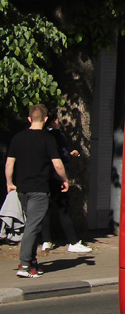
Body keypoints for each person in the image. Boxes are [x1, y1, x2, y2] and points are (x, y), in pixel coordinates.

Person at [5, 104, 69, 278]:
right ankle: (24, 264)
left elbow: (9, 163)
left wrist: (9, 183)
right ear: (46, 119)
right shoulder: (48, 139)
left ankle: (33, 263)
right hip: (39, 189)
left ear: (29, 119)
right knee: (32, 226)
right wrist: (64, 180)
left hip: (22, 189)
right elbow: (57, 164)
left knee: (34, 224)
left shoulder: (18, 138)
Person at [40, 115, 90, 253]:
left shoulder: (40, 136)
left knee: (45, 210)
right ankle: (72, 241)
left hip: (43, 177)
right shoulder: (57, 135)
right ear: (52, 121)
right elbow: (62, 156)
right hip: (56, 176)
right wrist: (71, 155)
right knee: (63, 210)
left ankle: (46, 240)